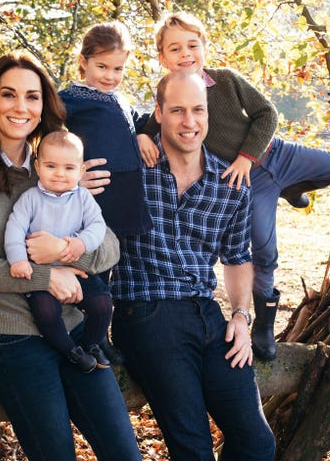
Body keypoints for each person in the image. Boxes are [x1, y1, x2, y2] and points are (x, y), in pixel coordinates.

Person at [0, 52, 142, 461]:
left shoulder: (55, 165)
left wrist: (67, 252)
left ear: (44, 105)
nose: (20, 107)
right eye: (9, 95)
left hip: (75, 330)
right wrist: (46, 278)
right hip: (12, 336)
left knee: (125, 454)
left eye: (32, 97)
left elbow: (111, 245)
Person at [137, 12, 330, 361]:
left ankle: (293, 186)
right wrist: (140, 136)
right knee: (264, 252)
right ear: (163, 58)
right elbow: (152, 124)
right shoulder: (172, 97)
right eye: (175, 49)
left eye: (193, 45)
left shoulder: (225, 80)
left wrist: (245, 156)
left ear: (204, 47)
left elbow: (267, 113)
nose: (186, 54)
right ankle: (264, 326)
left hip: (276, 155)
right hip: (249, 184)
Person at [110, 70, 276, 460]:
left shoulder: (230, 182)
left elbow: (237, 257)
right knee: (193, 448)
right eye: (178, 110)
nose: (189, 121)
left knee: (257, 443)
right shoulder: (131, 166)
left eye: (197, 110)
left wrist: (240, 315)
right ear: (159, 113)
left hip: (207, 314)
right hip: (147, 312)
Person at [4, 130, 112, 373]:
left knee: (102, 303)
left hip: (74, 269)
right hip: (41, 274)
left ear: (81, 171)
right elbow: (14, 228)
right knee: (46, 313)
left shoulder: (83, 198)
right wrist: (19, 260)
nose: (60, 174)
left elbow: (97, 226)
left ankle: (91, 344)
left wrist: (81, 244)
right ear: (38, 166)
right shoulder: (30, 199)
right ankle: (70, 351)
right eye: (51, 166)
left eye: (69, 168)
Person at [58, 20, 152, 239]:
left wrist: (144, 134)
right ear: (83, 62)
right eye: (102, 67)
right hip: (99, 196)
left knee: (120, 262)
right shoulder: (72, 98)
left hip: (127, 197)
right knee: (92, 262)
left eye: (118, 69)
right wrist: (69, 175)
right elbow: (43, 130)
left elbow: (142, 122)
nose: (110, 76)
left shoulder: (119, 99)